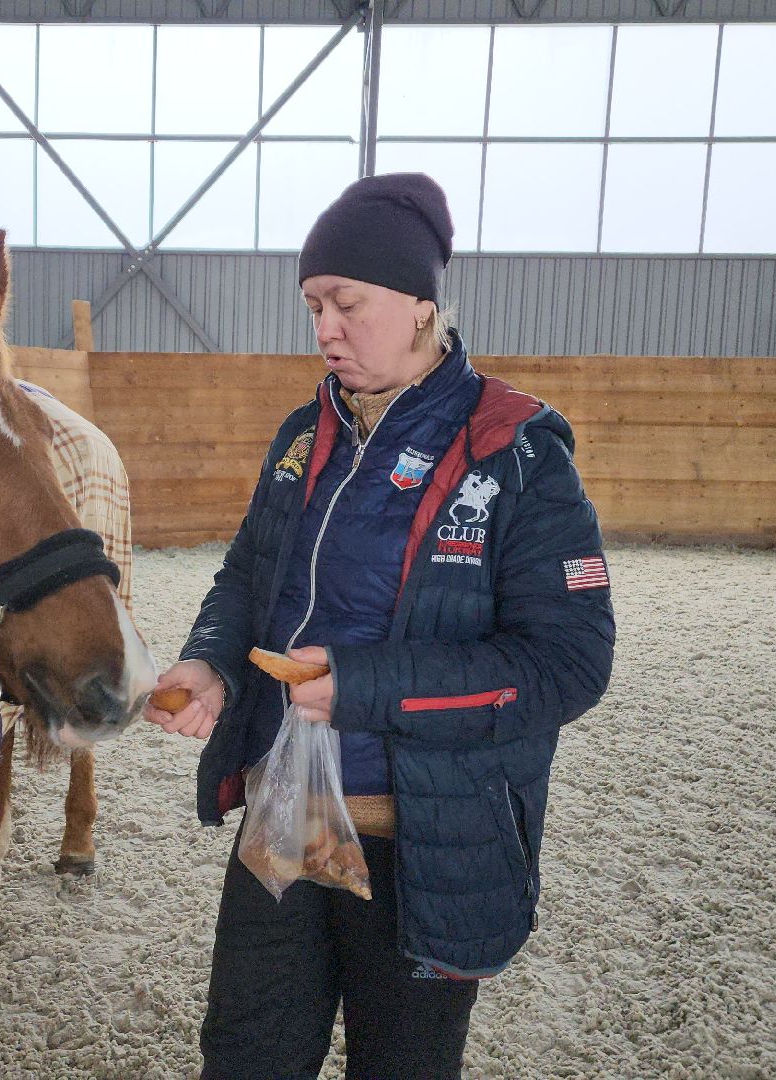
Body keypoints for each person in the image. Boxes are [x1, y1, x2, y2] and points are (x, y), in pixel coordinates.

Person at [144, 172, 615, 1079]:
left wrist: (365, 686)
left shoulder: (515, 452)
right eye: (313, 306)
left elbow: (568, 663)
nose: (325, 328)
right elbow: (246, 578)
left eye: (346, 303)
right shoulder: (302, 436)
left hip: (427, 838)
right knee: (245, 1055)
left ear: (420, 307)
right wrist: (212, 664)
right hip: (286, 812)